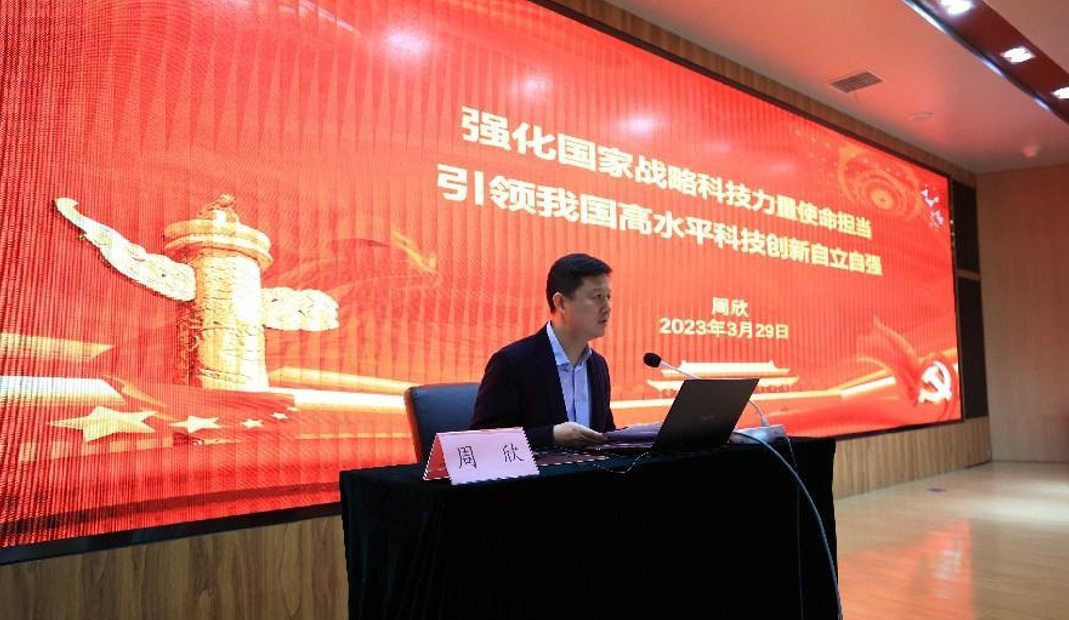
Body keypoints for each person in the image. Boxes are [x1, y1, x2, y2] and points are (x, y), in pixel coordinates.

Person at [470, 253, 616, 449]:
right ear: (561, 303)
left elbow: (605, 433)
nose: (607, 308)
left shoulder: (598, 365)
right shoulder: (512, 363)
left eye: (608, 297)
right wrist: (550, 436)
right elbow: (481, 443)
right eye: (597, 297)